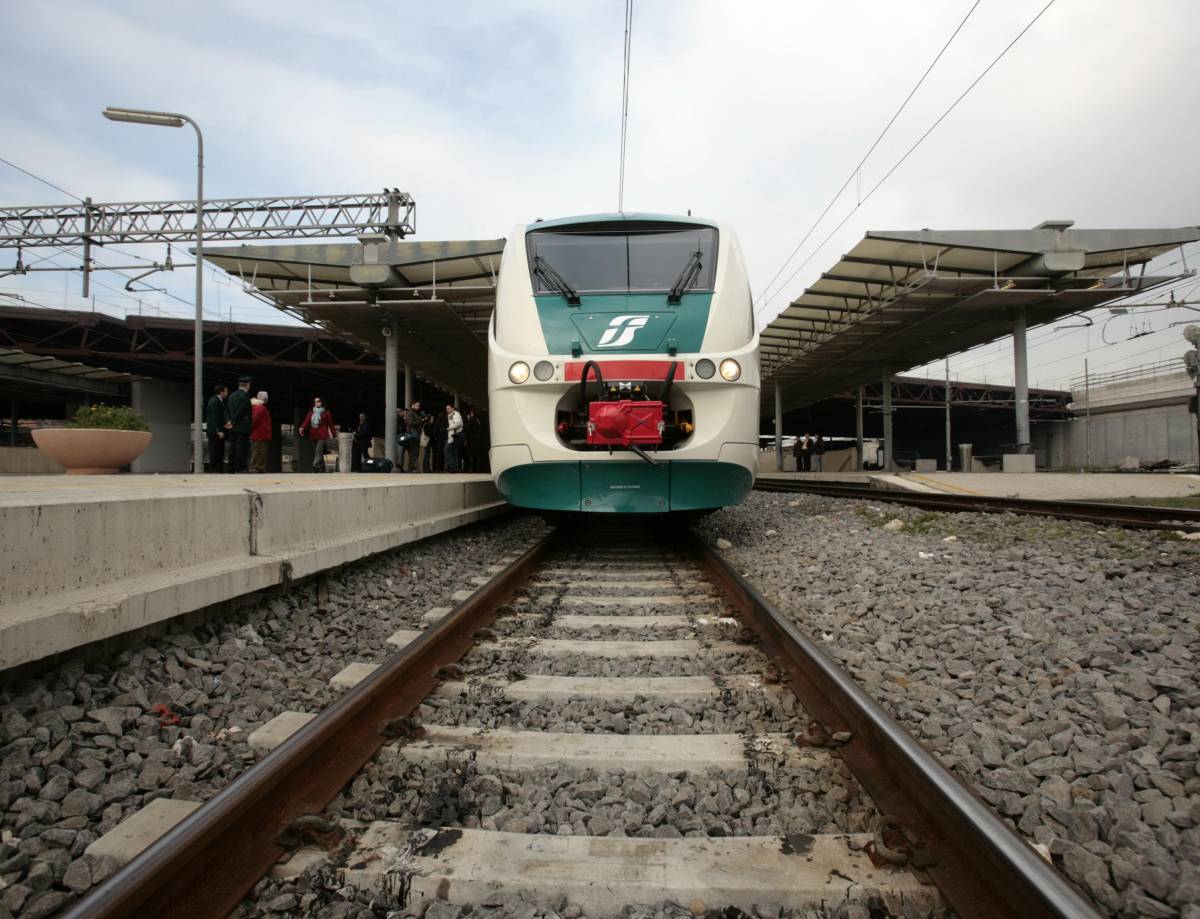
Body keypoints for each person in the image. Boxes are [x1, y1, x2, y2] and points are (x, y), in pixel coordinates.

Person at [298, 396, 337, 473]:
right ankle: (321, 468)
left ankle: (315, 466)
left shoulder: (326, 413)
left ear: (321, 402)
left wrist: (334, 434)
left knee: (318, 451)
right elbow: (306, 421)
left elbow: (330, 424)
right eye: (315, 402)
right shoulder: (311, 412)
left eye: (318, 401)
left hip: (323, 435)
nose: (317, 403)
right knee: (318, 452)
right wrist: (302, 427)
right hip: (313, 435)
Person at [225, 376, 253, 473]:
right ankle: (240, 468)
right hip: (242, 426)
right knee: (242, 448)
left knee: (233, 447)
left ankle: (231, 468)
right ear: (247, 385)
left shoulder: (231, 395)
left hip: (233, 427)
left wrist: (229, 421)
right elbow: (241, 411)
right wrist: (234, 421)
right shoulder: (245, 396)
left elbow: (227, 410)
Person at [204, 384, 229, 473]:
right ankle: (214, 469)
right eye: (226, 391)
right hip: (215, 432)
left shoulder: (217, 401)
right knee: (215, 450)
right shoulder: (215, 401)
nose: (227, 393)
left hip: (215, 431)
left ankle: (218, 469)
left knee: (218, 450)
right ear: (221, 392)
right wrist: (219, 431)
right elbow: (215, 418)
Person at [249, 391, 272, 473]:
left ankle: (259, 467)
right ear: (265, 398)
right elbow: (255, 419)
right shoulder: (260, 407)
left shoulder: (258, 407)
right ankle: (255, 467)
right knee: (259, 451)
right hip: (260, 434)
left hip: (260, 433)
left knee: (261, 451)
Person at [401, 401, 424, 472]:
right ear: (412, 405)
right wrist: (421, 421)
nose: (418, 407)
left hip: (415, 435)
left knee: (415, 452)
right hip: (412, 435)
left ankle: (412, 467)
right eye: (417, 405)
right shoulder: (410, 413)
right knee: (413, 451)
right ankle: (411, 468)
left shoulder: (415, 413)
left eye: (419, 405)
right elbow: (410, 424)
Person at [444, 403, 464, 472]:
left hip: (455, 435)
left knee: (446, 450)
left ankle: (452, 465)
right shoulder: (450, 415)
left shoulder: (456, 414)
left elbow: (458, 424)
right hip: (452, 435)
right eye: (446, 409)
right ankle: (455, 467)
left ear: (452, 408)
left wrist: (449, 428)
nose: (447, 410)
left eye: (449, 408)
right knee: (454, 451)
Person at [463, 407, 483, 473]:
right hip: (479, 439)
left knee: (471, 455)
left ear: (472, 413)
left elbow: (468, 429)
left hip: (472, 439)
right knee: (478, 456)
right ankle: (478, 469)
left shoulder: (471, 419)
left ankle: (471, 470)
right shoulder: (478, 420)